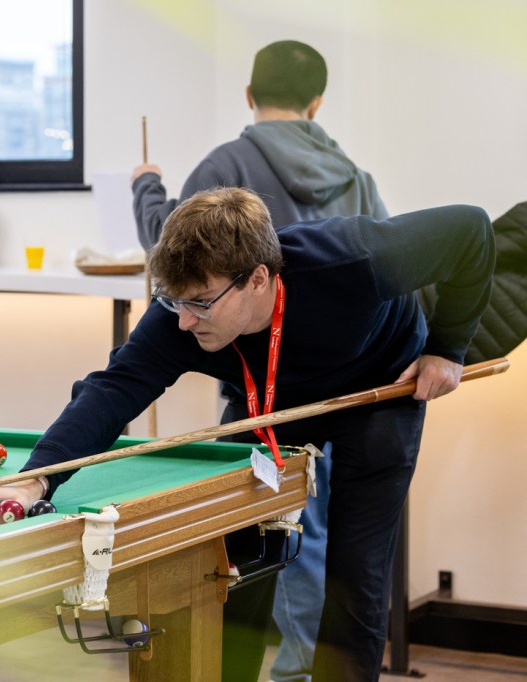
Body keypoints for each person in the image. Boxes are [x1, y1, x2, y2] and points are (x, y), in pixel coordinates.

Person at [0, 187, 495, 681]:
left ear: (258, 280)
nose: (183, 321)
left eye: (200, 304)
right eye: (173, 301)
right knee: (235, 560)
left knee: (356, 579)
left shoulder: (354, 259)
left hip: (380, 385)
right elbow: (113, 389)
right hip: (272, 401)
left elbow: (471, 229)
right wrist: (35, 481)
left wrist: (448, 347)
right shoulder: (181, 313)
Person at [131, 40, 391, 682]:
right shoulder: (355, 174)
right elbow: (387, 272)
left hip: (261, 397)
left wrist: (146, 186)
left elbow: (174, 253)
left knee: (257, 539)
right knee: (320, 538)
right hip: (344, 395)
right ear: (317, 102)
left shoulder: (227, 164)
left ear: (249, 94)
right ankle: (300, 672)